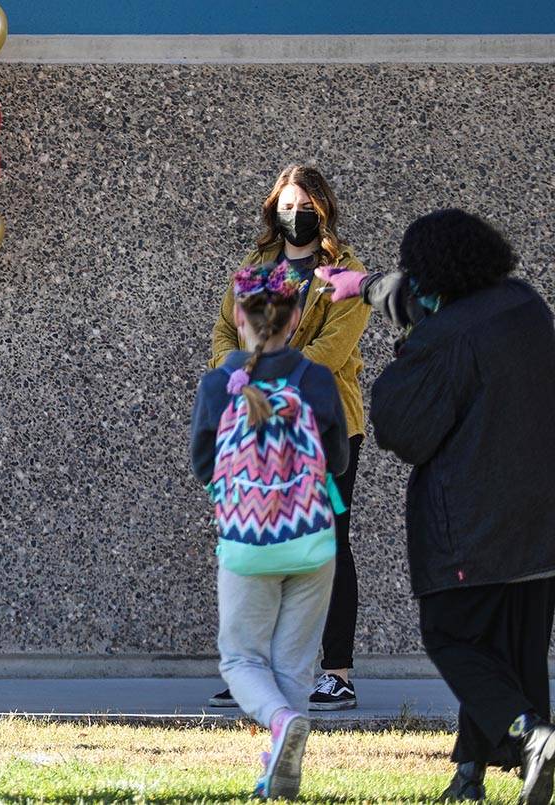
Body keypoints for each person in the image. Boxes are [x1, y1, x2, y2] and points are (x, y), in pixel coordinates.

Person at [320, 209, 555, 803]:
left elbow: (403, 429)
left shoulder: (444, 338)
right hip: (543, 527)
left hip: (472, 525)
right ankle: (471, 777)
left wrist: (402, 360)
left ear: (433, 273)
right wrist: (363, 285)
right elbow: (419, 302)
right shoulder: (524, 305)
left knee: (453, 638)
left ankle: (529, 732)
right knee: (512, 650)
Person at [209, 164, 370, 711]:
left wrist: (272, 378)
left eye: (304, 205)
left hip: (324, 423)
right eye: (284, 204)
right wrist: (233, 373)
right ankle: (257, 673)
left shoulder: (346, 272)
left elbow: (333, 348)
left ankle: (336, 671)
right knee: (262, 542)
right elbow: (225, 333)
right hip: (257, 422)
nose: (293, 214)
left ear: (322, 209)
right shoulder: (257, 266)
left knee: (328, 544)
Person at [192, 263, 349, 800]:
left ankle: (280, 728)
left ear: (239, 316)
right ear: (297, 316)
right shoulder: (317, 379)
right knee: (296, 662)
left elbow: (203, 463)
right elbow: (339, 457)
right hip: (312, 540)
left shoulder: (221, 382)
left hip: (248, 544)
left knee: (241, 659)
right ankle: (285, 761)